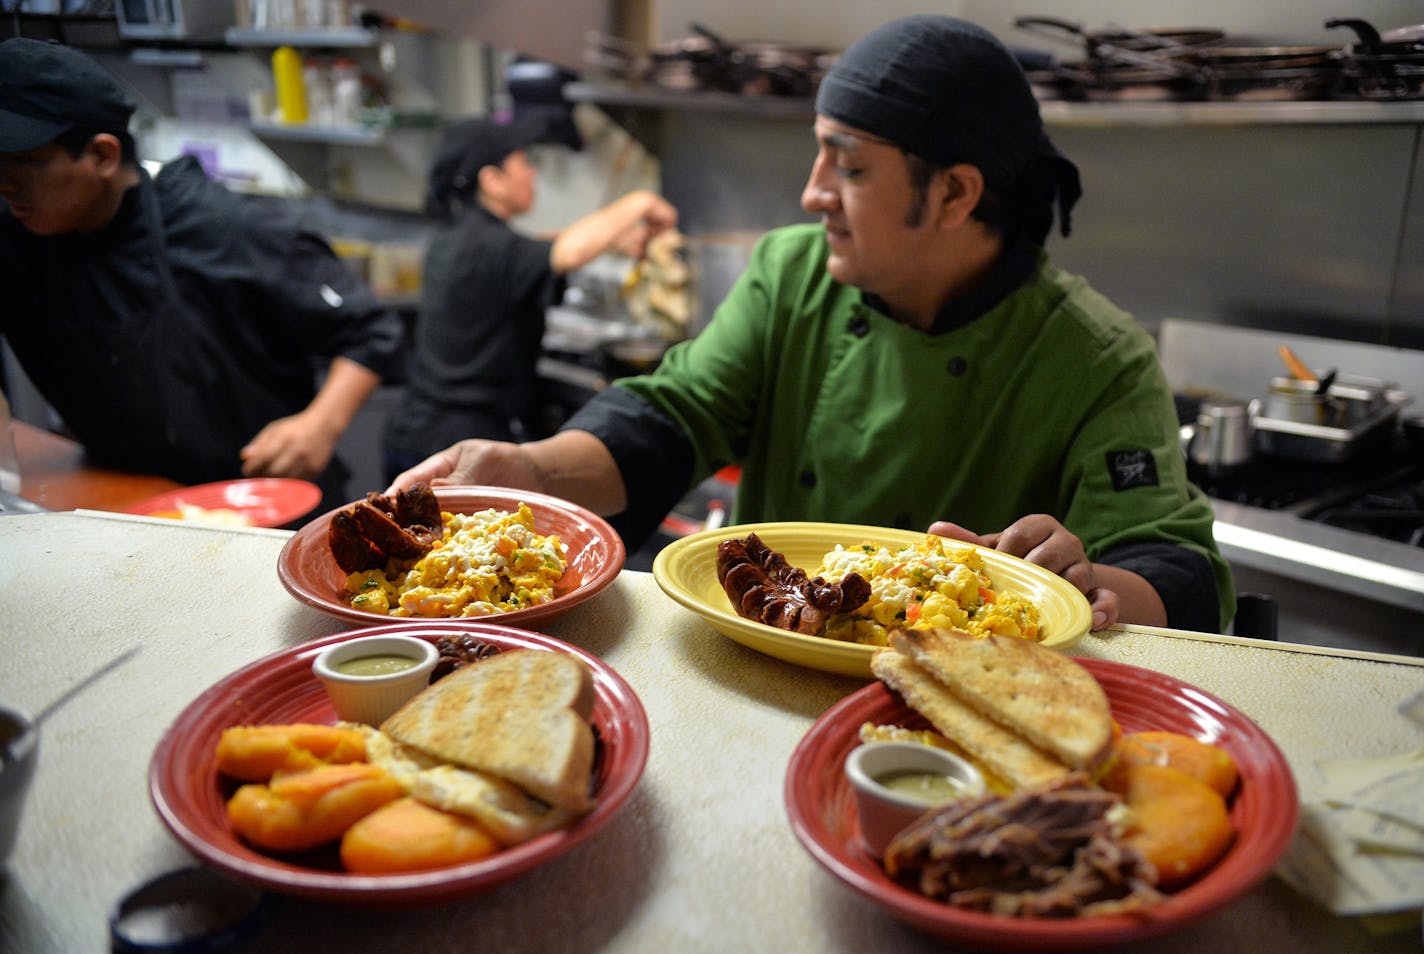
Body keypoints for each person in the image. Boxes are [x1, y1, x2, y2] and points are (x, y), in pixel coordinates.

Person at [391, 15, 1236, 634]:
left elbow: (1175, 560)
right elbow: (674, 415)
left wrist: (1093, 584)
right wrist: (529, 469)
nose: (813, 191)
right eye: (818, 152)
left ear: (954, 193)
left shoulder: (1097, 358)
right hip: (765, 655)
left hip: (954, 721)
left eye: (851, 164)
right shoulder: (791, 272)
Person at [0, 38, 402, 512]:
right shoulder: (14, 238)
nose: (7, 190)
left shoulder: (226, 228)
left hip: (263, 504)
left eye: (19, 171)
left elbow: (373, 331)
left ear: (103, 156)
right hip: (128, 502)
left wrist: (319, 425)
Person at [382, 116, 679, 479]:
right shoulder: (494, 247)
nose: (532, 173)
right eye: (524, 162)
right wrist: (640, 201)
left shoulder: (456, 237)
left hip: (411, 433)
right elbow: (565, 252)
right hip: (458, 450)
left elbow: (538, 247)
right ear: (492, 180)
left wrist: (613, 240)